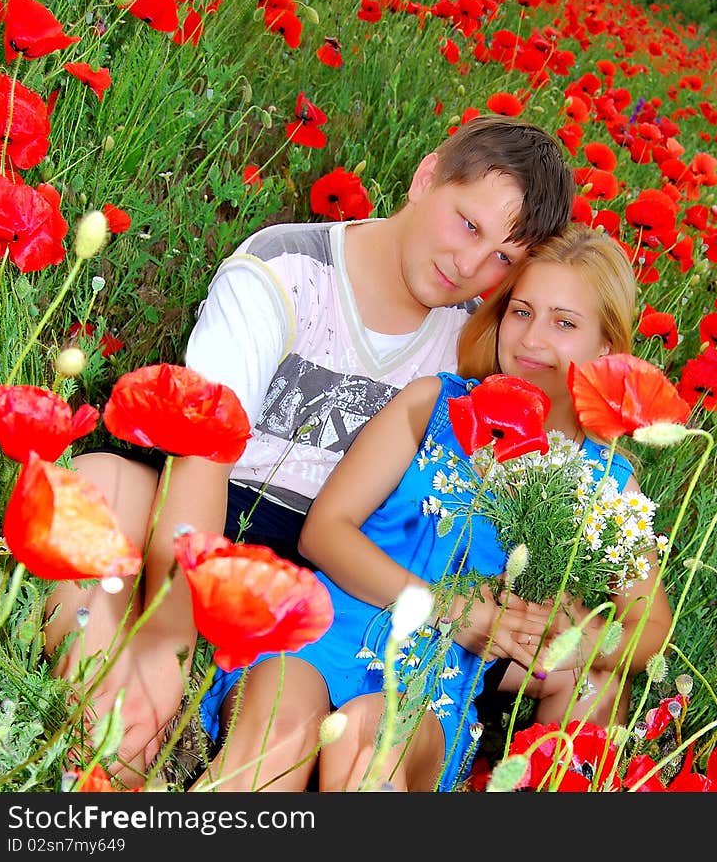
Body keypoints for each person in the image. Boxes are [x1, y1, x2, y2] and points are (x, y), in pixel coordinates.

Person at [42, 115, 575, 787]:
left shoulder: (475, 343)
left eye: (503, 258)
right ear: (426, 178)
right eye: (468, 225)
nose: (470, 266)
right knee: (89, 486)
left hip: (331, 585)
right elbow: (205, 448)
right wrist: (167, 643)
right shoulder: (285, 268)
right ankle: (107, 742)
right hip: (211, 508)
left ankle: (168, 740)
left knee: (287, 715)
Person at [193, 226, 673, 792]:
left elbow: (649, 628)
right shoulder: (436, 405)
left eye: (564, 323)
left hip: (434, 678)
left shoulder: (604, 478)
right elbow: (324, 533)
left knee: (372, 746)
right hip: (331, 627)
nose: (532, 339)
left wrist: (566, 634)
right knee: (277, 730)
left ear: (606, 350)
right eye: (521, 312)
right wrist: (451, 609)